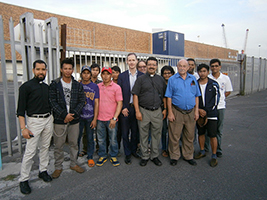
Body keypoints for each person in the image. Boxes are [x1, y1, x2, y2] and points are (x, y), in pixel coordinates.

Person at [17, 60, 53, 194]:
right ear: (33, 70)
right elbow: (20, 111)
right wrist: (23, 128)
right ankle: (24, 179)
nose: (41, 72)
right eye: (38, 69)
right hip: (34, 122)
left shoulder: (46, 87)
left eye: (43, 69)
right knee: (30, 152)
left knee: (45, 147)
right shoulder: (26, 87)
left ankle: (42, 171)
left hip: (48, 119)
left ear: (46, 71)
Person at [49, 58, 85, 179]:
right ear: (61, 69)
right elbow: (52, 101)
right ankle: (58, 167)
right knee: (58, 145)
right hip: (60, 120)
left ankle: (73, 164)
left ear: (73, 70)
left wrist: (72, 114)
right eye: (65, 68)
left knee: (74, 144)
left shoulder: (77, 85)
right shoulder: (55, 84)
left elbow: (82, 101)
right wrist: (64, 114)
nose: (68, 71)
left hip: (74, 120)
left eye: (70, 69)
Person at [132, 57, 167, 167]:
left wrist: (165, 109)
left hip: (157, 111)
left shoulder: (160, 80)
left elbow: (165, 96)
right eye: (150, 64)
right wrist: (137, 111)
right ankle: (145, 156)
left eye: (154, 64)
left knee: (156, 134)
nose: (151, 66)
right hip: (144, 111)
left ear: (156, 66)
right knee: (143, 135)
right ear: (146, 66)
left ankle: (154, 156)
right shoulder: (140, 79)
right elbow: (135, 95)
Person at [165, 59, 201, 166]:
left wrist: (196, 111)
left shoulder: (193, 79)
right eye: (180, 66)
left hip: (190, 112)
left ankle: (188, 155)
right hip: (177, 111)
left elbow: (196, 96)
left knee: (189, 135)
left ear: (188, 67)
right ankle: (174, 156)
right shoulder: (172, 79)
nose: (182, 68)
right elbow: (169, 97)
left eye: (184, 66)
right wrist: (170, 112)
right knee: (174, 136)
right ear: (177, 66)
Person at [117, 53, 143, 165]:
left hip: (137, 108)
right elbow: (119, 94)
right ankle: (127, 153)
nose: (131, 62)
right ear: (126, 62)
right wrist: (123, 107)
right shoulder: (122, 76)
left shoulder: (142, 76)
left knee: (135, 131)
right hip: (125, 109)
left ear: (137, 61)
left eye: (133, 60)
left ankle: (133, 151)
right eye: (129, 60)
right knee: (125, 132)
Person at [205, 58, 233, 157]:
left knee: (218, 130)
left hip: (220, 107)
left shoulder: (225, 78)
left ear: (220, 67)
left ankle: (218, 149)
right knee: (207, 128)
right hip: (209, 108)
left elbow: (228, 91)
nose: (214, 68)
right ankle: (206, 147)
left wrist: (220, 99)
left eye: (216, 66)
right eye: (212, 66)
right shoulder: (207, 77)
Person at [96, 67, 123, 167]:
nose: (106, 76)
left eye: (108, 74)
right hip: (99, 118)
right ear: (101, 75)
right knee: (101, 139)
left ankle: (113, 155)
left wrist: (115, 118)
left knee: (113, 139)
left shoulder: (116, 87)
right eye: (104, 74)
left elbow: (120, 103)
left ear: (111, 75)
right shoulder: (98, 86)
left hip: (112, 119)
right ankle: (102, 155)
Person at [195, 64, 220, 167]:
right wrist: (199, 110)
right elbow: (193, 98)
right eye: (200, 71)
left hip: (211, 114)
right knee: (200, 133)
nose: (202, 73)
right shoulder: (194, 84)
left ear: (208, 72)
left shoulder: (214, 84)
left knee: (212, 135)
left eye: (204, 71)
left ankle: (214, 155)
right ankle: (202, 151)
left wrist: (206, 111)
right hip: (199, 114)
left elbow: (216, 100)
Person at [78, 65, 99, 167]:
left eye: (88, 73)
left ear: (90, 75)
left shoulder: (95, 86)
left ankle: (90, 157)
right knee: (77, 137)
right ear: (81, 74)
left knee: (90, 138)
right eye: (84, 73)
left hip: (90, 116)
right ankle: (75, 156)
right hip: (79, 116)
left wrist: (95, 118)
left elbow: (96, 103)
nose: (86, 75)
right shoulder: (78, 85)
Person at [160, 65, 175, 158]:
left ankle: (172, 148)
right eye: (165, 73)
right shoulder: (161, 84)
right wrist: (165, 109)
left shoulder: (175, 83)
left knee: (173, 130)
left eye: (169, 73)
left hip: (174, 109)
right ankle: (164, 148)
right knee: (164, 130)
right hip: (163, 109)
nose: (167, 75)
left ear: (172, 74)